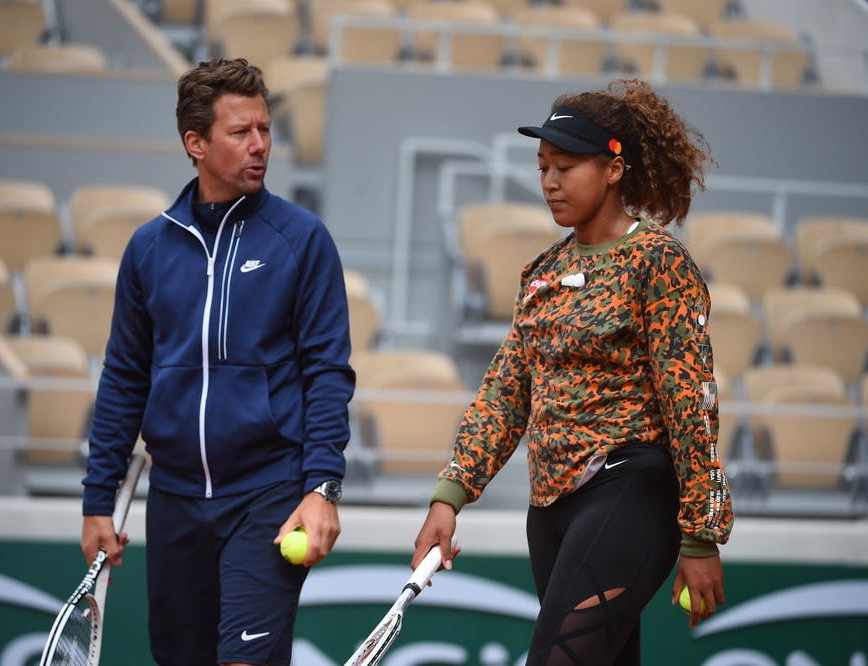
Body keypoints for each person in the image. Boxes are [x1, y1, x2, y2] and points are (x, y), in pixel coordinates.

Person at [411, 79, 734, 665]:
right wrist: (449, 498)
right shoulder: (542, 272)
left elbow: (692, 405)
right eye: (542, 167)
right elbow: (505, 394)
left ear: (614, 169)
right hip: (550, 510)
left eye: (566, 166)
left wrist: (699, 531)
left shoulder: (658, 261)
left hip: (629, 491)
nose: (550, 182)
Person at [80, 58, 355, 666]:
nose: (260, 146)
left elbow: (328, 374)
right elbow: (125, 377)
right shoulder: (148, 247)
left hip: (269, 496)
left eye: (265, 130)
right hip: (174, 499)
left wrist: (322, 487)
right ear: (195, 144)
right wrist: (98, 501)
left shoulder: (303, 239)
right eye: (240, 132)